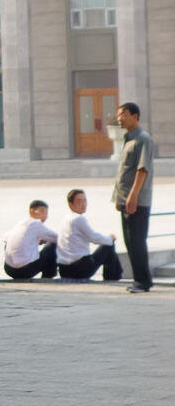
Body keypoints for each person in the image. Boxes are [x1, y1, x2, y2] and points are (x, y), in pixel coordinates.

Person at [113, 102, 154, 293]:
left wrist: (133, 196)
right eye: (118, 115)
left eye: (123, 114)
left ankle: (142, 282)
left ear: (135, 116)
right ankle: (142, 280)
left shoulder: (142, 139)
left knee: (137, 241)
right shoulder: (128, 139)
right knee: (130, 242)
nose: (119, 118)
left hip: (137, 201)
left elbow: (142, 169)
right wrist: (119, 198)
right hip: (126, 200)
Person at [57, 190, 123, 282]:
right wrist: (110, 238)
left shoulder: (66, 218)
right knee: (109, 244)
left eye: (85, 200)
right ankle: (113, 277)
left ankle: (115, 276)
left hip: (64, 270)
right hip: (78, 270)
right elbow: (94, 238)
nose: (83, 204)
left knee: (107, 243)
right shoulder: (78, 218)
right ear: (70, 204)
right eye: (79, 201)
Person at [3, 200, 59, 281]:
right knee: (53, 245)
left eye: (46, 213)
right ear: (31, 211)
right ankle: (48, 277)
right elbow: (59, 238)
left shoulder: (20, 224)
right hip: (25, 271)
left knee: (9, 242)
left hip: (9, 270)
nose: (45, 215)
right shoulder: (36, 224)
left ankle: (15, 265)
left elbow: (6, 238)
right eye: (42, 211)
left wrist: (37, 240)